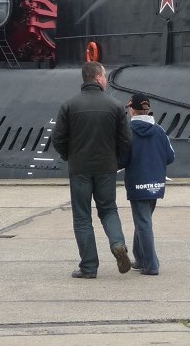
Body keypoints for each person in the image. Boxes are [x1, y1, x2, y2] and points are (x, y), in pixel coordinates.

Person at [51, 61, 132, 279]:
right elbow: (126, 140)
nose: (106, 79)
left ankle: (88, 267)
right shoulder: (115, 106)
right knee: (108, 210)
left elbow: (57, 139)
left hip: (80, 168)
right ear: (97, 78)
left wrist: (71, 156)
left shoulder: (69, 105)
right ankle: (118, 244)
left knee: (82, 217)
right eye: (105, 76)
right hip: (106, 167)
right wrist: (117, 161)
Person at [122, 92, 175, 276]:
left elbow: (122, 159)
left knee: (143, 222)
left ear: (132, 110)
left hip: (137, 183)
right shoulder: (159, 130)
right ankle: (141, 257)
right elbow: (170, 157)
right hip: (156, 184)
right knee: (143, 220)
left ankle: (151, 264)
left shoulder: (128, 131)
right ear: (148, 109)